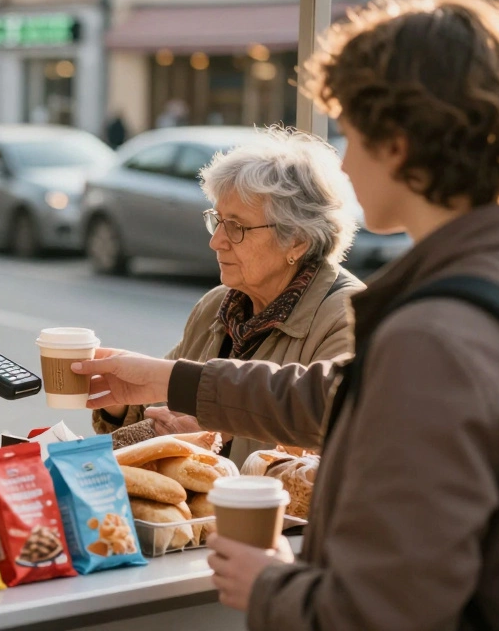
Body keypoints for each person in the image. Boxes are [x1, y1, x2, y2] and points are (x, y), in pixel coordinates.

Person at [75, 0, 499, 629]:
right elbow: (331, 399)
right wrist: (167, 379)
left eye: (352, 133)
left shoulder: (435, 332)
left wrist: (273, 583)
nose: (347, 165)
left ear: (400, 142)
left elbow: (392, 611)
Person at [92, 126, 363, 465]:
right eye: (217, 220)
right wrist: (118, 403)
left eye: (236, 227)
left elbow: (325, 448)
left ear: (297, 241)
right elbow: (161, 410)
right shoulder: (218, 304)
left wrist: (210, 441)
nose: (216, 240)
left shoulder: (348, 318)